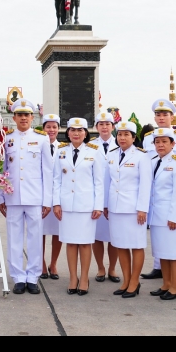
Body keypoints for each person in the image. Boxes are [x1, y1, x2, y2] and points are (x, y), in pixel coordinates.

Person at [0, 100, 53, 296]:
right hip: (12, 197)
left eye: (26, 115)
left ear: (32, 118)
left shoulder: (42, 139)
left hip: (35, 197)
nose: (23, 118)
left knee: (35, 238)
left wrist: (47, 200)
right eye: (19, 114)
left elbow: (48, 171)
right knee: (14, 239)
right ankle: (18, 277)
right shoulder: (6, 139)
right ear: (14, 118)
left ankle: (33, 277)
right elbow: (1, 171)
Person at [53, 118, 105, 295]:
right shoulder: (60, 151)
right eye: (73, 130)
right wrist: (56, 203)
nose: (76, 133)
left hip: (86, 206)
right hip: (66, 205)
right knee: (71, 243)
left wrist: (98, 205)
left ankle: (84, 279)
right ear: (67, 133)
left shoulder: (95, 152)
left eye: (80, 130)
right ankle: (73, 278)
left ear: (86, 133)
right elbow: (56, 180)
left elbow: (99, 182)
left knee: (84, 244)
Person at [142, 99, 176, 281]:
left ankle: (173, 283)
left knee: (173, 246)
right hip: (156, 200)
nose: (161, 118)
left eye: (165, 114)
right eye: (158, 114)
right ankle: (159, 269)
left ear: (172, 116)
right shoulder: (148, 138)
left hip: (171, 193)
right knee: (160, 243)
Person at [105, 121, 151, 298]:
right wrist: (106, 205)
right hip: (116, 207)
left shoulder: (142, 156)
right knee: (120, 245)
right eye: (120, 134)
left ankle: (134, 281)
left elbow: (146, 185)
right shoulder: (112, 154)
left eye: (126, 135)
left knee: (136, 245)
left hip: (134, 209)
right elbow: (108, 181)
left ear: (133, 137)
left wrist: (142, 209)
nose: (122, 138)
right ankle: (125, 280)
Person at [147, 128, 176, 301]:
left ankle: (175, 287)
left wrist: (174, 216)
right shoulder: (153, 161)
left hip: (172, 216)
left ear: (173, 144)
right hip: (156, 215)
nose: (160, 145)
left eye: (164, 142)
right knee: (162, 252)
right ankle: (166, 283)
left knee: (175, 252)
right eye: (157, 142)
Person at [92, 111, 120, 283]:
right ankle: (101, 268)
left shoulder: (121, 144)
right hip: (96, 198)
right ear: (96, 127)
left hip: (114, 198)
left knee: (113, 236)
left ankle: (112, 268)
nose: (104, 127)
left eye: (107, 124)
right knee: (97, 236)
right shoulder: (90, 146)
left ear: (113, 127)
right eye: (101, 124)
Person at [40, 114, 62, 281]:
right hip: (41, 195)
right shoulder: (39, 145)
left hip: (58, 197)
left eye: (54, 127)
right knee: (40, 231)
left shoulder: (64, 148)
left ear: (58, 129)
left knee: (57, 232)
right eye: (48, 127)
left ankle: (53, 263)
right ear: (43, 128)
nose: (51, 130)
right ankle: (41, 262)